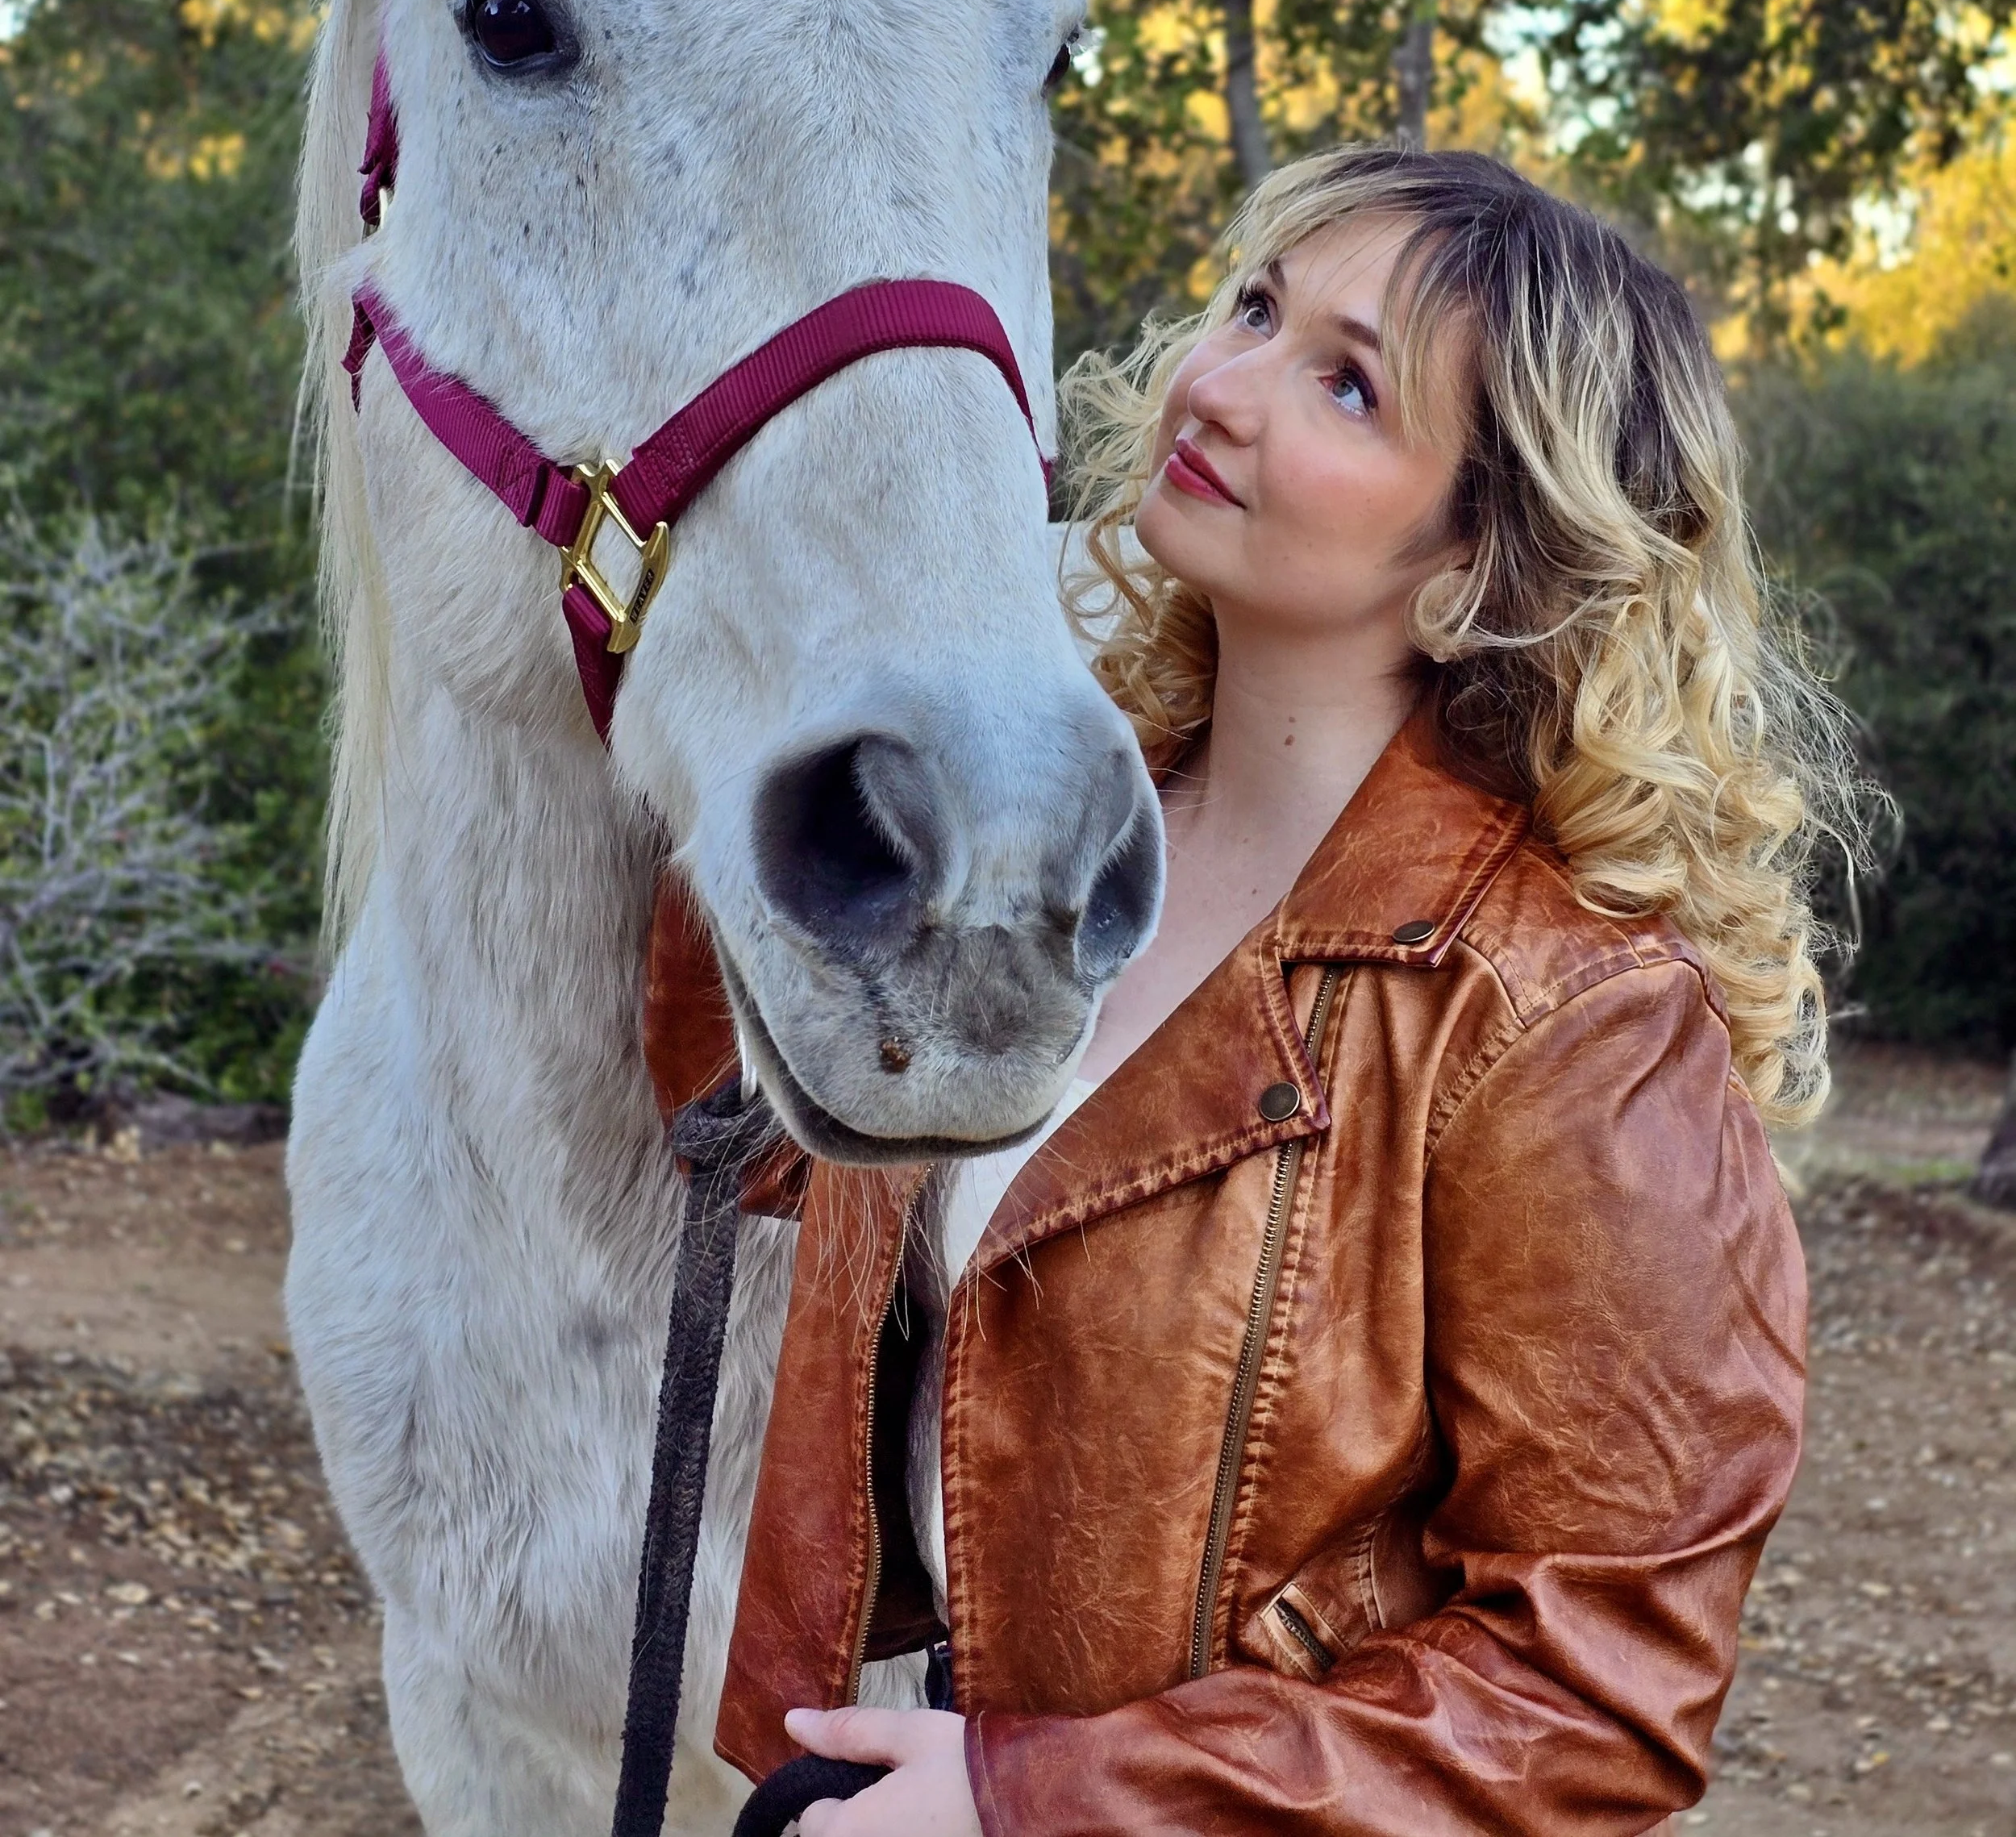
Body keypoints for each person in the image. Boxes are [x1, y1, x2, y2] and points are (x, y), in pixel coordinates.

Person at [707, 145, 1868, 1835]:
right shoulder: (1026, 854)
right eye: (1251, 307)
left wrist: (1045, 1802)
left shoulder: (1564, 1022)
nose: (1225, 384)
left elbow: (1593, 1695)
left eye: (1342, 382)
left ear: (1477, 553)